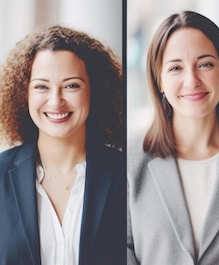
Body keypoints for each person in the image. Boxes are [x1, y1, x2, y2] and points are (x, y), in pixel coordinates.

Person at [127, 11, 219, 264]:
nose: (191, 80)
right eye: (175, 68)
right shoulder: (127, 162)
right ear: (159, 80)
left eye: (205, 64)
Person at [0, 26, 125, 264]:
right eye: (41, 86)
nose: (56, 101)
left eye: (71, 85)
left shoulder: (125, 175)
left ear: (94, 90)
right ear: (23, 94)